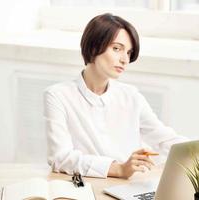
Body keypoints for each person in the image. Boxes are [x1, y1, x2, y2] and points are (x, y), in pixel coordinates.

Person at [44, 13, 186, 179]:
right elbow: (60, 157)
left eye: (129, 52)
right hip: (82, 185)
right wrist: (118, 169)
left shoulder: (131, 95)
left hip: (127, 186)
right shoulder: (58, 95)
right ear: (94, 47)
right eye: (117, 49)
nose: (125, 59)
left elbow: (164, 139)